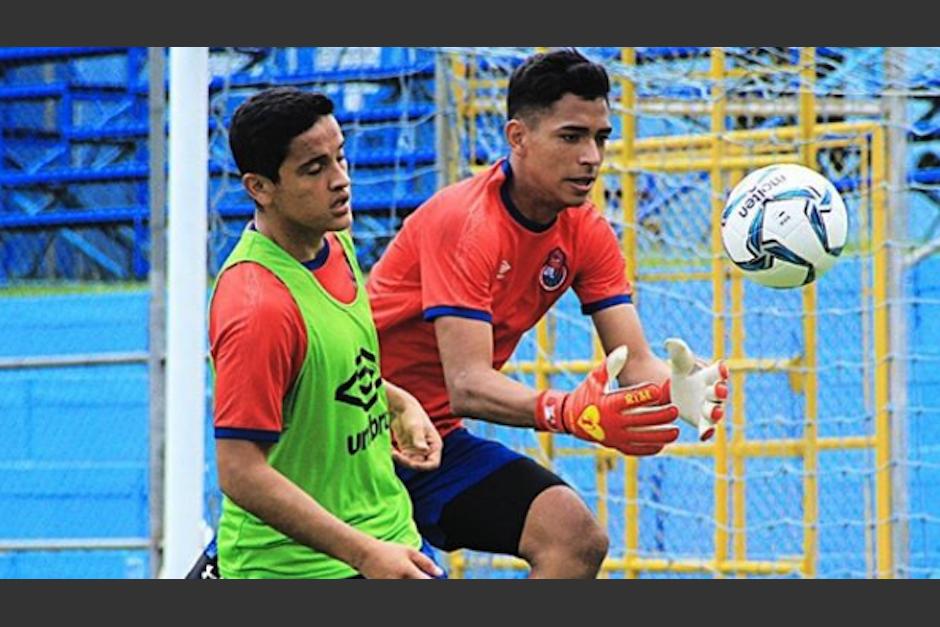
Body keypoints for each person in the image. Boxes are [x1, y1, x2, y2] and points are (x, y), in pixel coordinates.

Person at [365, 48, 729, 578]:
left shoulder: (587, 230)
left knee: (574, 539)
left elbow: (635, 363)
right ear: (518, 138)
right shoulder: (464, 222)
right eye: (571, 136)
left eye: (600, 137)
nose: (592, 157)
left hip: (434, 441)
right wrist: (567, 412)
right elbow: (467, 383)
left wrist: (681, 386)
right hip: (353, 436)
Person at [195, 87, 444, 579]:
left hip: (391, 540)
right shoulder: (257, 305)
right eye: (315, 169)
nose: (341, 180)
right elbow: (240, 470)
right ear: (260, 187)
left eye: (341, 157)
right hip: (300, 571)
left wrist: (399, 402)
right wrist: (364, 554)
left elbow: (333, 373)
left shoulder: (334, 241)